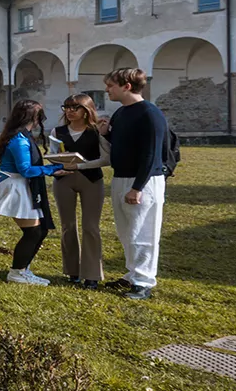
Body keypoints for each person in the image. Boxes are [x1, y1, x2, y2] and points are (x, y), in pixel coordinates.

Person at [0, 100, 67, 285]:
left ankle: (23, 269)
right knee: (33, 232)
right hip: (16, 186)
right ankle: (17, 272)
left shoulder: (20, 136)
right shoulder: (19, 140)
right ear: (34, 118)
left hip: (21, 185)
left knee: (39, 231)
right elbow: (25, 170)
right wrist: (52, 169)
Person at [98, 67, 169, 300]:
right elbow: (123, 144)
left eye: (110, 86)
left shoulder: (150, 113)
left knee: (143, 232)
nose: (107, 90)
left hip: (144, 181)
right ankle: (132, 274)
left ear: (127, 86)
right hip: (121, 177)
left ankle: (143, 282)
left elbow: (151, 154)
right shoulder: (121, 113)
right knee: (126, 231)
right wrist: (107, 133)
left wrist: (137, 187)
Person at [52, 95, 111, 288]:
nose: (69, 111)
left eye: (74, 108)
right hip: (63, 180)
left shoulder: (96, 131)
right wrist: (56, 165)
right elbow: (53, 156)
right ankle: (72, 271)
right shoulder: (57, 131)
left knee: (90, 227)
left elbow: (105, 159)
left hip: (91, 179)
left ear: (86, 110)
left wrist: (81, 166)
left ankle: (92, 273)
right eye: (66, 107)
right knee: (68, 226)